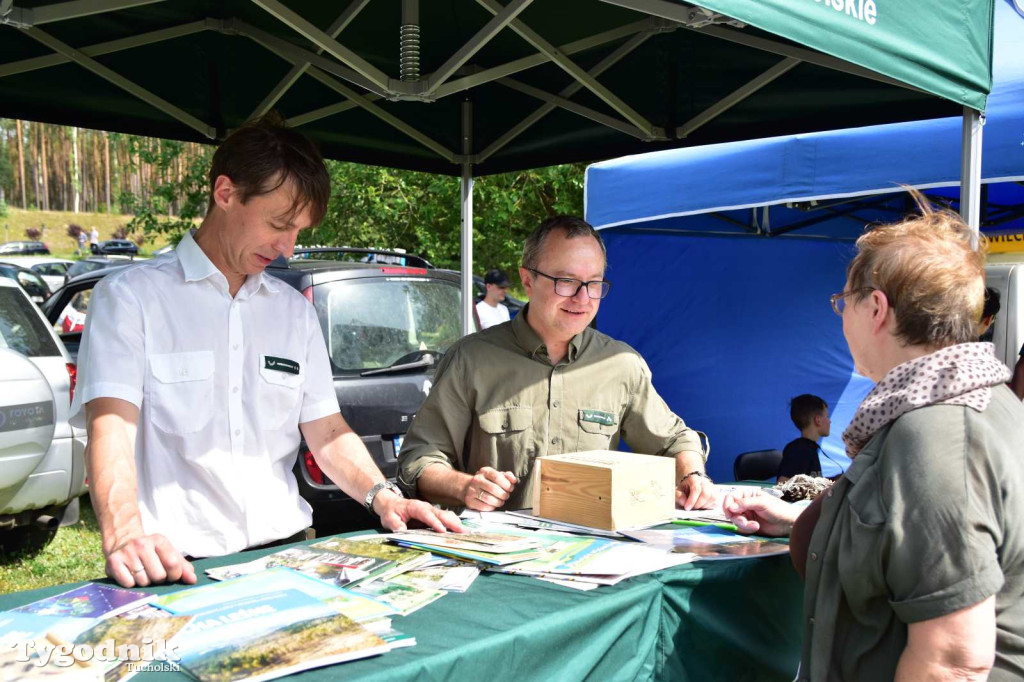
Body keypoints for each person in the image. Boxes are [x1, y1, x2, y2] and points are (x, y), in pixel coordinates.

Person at [72, 116, 461, 589]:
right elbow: (110, 426)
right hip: (174, 566)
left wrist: (384, 497)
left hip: (288, 555)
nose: (287, 249)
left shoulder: (293, 313)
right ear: (225, 193)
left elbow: (328, 431)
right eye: (279, 224)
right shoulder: (132, 299)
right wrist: (124, 534)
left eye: (299, 230)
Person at [722, 200, 1024, 680]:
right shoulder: (950, 405)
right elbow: (900, 530)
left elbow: (951, 660)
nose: (841, 317)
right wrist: (801, 520)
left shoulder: (936, 433)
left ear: (876, 308)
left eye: (844, 302)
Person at [397, 215, 715, 512]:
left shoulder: (621, 364)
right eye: (566, 281)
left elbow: (674, 441)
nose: (583, 298)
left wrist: (692, 475)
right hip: (500, 555)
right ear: (527, 280)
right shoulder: (471, 359)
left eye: (594, 283)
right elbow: (419, 460)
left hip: (595, 554)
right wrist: (464, 486)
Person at [776, 394, 828, 483]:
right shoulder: (799, 450)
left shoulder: (809, 447)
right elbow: (783, 484)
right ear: (818, 420)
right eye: (827, 417)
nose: (829, 421)